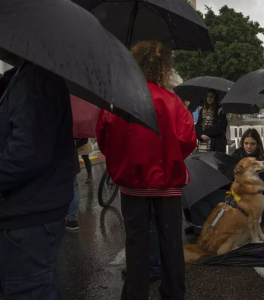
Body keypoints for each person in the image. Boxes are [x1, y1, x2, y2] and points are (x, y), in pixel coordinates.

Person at [96, 40, 196, 300]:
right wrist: (169, 156)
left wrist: (126, 158)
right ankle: (173, 294)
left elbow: (104, 137)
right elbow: (188, 139)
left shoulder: (118, 100)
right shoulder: (173, 101)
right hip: (168, 183)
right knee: (171, 243)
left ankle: (135, 295)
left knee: (136, 242)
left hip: (133, 182)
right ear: (163, 68)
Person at [0, 52, 73, 299]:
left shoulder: (37, 77)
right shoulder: (25, 76)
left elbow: (27, 152)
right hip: (29, 212)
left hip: (29, 216)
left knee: (31, 290)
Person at [231, 128, 264, 231]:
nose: (248, 147)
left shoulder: (261, 162)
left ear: (257, 144)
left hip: (252, 201)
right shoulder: (236, 155)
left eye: (252, 144)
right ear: (242, 143)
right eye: (246, 143)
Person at [67, 139, 88, 231]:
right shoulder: (73, 125)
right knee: (73, 187)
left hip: (59, 159)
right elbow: (84, 139)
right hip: (72, 156)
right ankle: (72, 220)